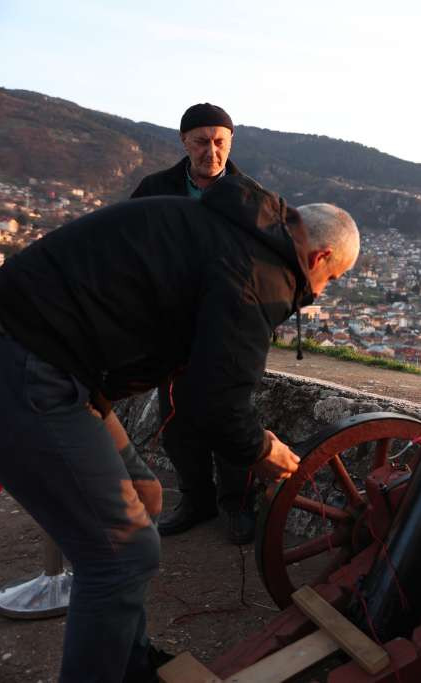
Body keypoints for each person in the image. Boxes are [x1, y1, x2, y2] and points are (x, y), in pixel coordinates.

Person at [0, 175, 359, 683]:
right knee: (122, 554)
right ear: (320, 258)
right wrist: (261, 451)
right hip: (31, 364)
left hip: (55, 359)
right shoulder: (263, 273)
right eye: (334, 279)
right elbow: (215, 404)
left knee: (145, 494)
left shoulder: (232, 229)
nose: (321, 292)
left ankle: (127, 660)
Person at [131, 103, 256, 543]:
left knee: (230, 414)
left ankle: (239, 504)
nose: (211, 151)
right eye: (201, 141)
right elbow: (129, 248)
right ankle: (197, 500)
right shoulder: (155, 189)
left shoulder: (249, 196)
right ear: (183, 141)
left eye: (220, 141)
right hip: (172, 324)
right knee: (177, 418)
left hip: (229, 327)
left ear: (230, 143)